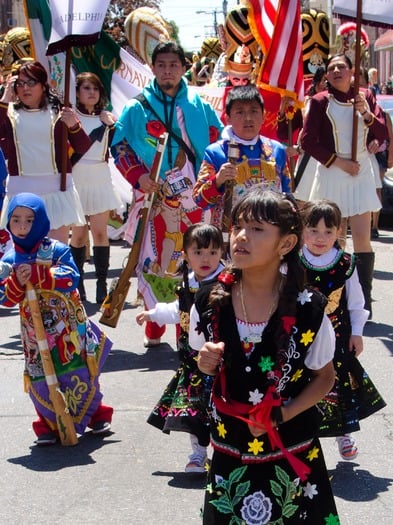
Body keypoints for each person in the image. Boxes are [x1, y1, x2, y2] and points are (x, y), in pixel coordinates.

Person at [189, 187, 339, 524]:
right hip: (229, 453)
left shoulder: (309, 310)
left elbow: (325, 378)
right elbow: (200, 363)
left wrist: (281, 415)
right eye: (237, 227)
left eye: (257, 229)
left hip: (291, 451)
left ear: (286, 244)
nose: (241, 237)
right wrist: (205, 362)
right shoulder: (209, 302)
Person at [111, 41, 223, 347]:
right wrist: (140, 176)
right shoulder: (137, 108)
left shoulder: (200, 106)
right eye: (161, 65)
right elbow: (119, 145)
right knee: (156, 261)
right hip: (155, 197)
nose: (167, 71)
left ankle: (187, 328)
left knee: (196, 260)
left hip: (196, 200)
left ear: (184, 67)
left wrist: (212, 182)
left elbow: (218, 147)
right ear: (153, 68)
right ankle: (155, 324)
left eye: (173, 64)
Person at [0, 193, 113, 445]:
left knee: (80, 369)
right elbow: (4, 299)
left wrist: (40, 273)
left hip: (67, 327)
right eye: (16, 220)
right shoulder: (8, 260)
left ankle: (95, 414)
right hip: (34, 333)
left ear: (40, 221)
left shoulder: (56, 250)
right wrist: (16, 281)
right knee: (40, 376)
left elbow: (71, 277)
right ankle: (49, 423)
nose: (21, 226)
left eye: (29, 220)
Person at [301, 53, 388, 317]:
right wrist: (338, 162)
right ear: (326, 75)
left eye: (342, 66)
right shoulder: (318, 102)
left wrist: (367, 115)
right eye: (331, 68)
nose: (337, 70)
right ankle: (332, 296)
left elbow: (382, 133)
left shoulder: (366, 97)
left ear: (352, 72)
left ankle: (364, 301)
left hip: (360, 173)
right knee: (334, 238)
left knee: (362, 238)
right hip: (332, 173)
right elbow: (307, 141)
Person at [299, 199, 386, 461]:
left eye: (328, 231)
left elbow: (357, 302)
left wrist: (357, 332)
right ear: (302, 229)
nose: (320, 237)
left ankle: (344, 434)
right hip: (301, 336)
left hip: (337, 335)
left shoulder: (344, 263)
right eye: (313, 230)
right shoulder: (292, 260)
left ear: (339, 231)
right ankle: (301, 434)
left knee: (338, 383)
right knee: (302, 383)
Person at [137, 223, 225, 473]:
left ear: (222, 253)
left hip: (220, 361)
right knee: (194, 411)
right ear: (185, 255)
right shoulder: (186, 284)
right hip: (191, 361)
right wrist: (153, 313)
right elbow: (178, 311)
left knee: (220, 409)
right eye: (198, 252)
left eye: (212, 252)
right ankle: (198, 455)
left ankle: (224, 454)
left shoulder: (226, 283)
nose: (206, 258)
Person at [0, 60, 90, 244]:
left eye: (31, 83)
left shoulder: (58, 110)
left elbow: (82, 146)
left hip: (56, 189)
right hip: (21, 191)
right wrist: (4, 99)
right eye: (20, 84)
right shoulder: (8, 113)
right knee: (25, 257)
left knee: (55, 254)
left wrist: (73, 125)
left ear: (43, 85)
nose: (26, 88)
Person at [193, 84, 290, 232]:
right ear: (228, 118)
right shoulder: (216, 152)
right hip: (231, 237)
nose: (248, 118)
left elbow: (288, 196)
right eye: (240, 112)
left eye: (254, 111)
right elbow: (200, 200)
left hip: (269, 236)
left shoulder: (277, 151)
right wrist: (218, 179)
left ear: (264, 116)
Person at [69, 72, 121, 304]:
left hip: (100, 177)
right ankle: (77, 283)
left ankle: (102, 284)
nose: (91, 92)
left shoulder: (107, 119)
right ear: (77, 92)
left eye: (95, 88)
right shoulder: (70, 118)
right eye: (86, 88)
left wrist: (113, 126)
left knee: (100, 233)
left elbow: (119, 146)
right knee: (78, 235)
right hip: (77, 178)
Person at [276, 66, 327, 204]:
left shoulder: (339, 104)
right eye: (322, 79)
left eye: (328, 81)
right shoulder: (305, 104)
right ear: (315, 82)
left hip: (329, 159)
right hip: (307, 159)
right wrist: (282, 110)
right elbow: (283, 133)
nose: (325, 84)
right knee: (302, 202)